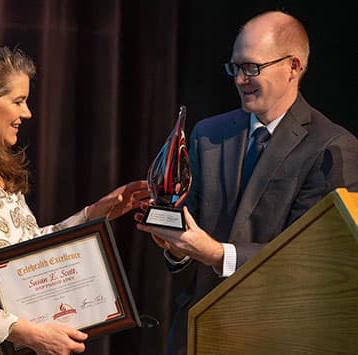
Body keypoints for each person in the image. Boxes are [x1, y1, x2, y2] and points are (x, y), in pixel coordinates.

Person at [136, 10, 358, 355]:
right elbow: (188, 231)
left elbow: (313, 263)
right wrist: (175, 246)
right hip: (199, 332)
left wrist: (215, 253)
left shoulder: (332, 147)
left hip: (279, 338)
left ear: (294, 67)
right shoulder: (209, 134)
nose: (240, 79)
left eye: (252, 67)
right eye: (235, 67)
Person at [0, 43, 149, 355]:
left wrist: (93, 215)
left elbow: (28, 255)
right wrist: (32, 335)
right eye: (18, 101)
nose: (27, 112)